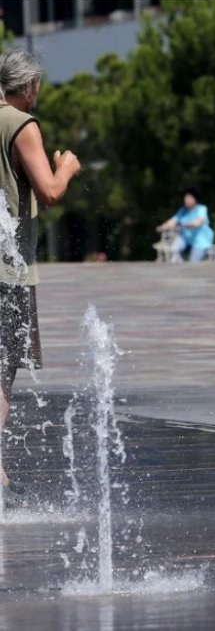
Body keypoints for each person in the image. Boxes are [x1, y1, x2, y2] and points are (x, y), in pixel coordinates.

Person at [0, 51, 81, 489]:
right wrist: (65, 167)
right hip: (7, 267)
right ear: (29, 85)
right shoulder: (20, 124)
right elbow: (49, 192)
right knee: (3, 368)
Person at [155, 187, 215, 263]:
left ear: (195, 199)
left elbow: (199, 221)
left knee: (193, 262)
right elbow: (173, 221)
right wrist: (162, 227)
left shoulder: (201, 209)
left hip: (200, 241)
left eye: (189, 197)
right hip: (185, 239)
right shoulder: (182, 210)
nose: (186, 200)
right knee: (174, 249)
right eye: (185, 197)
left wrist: (188, 224)